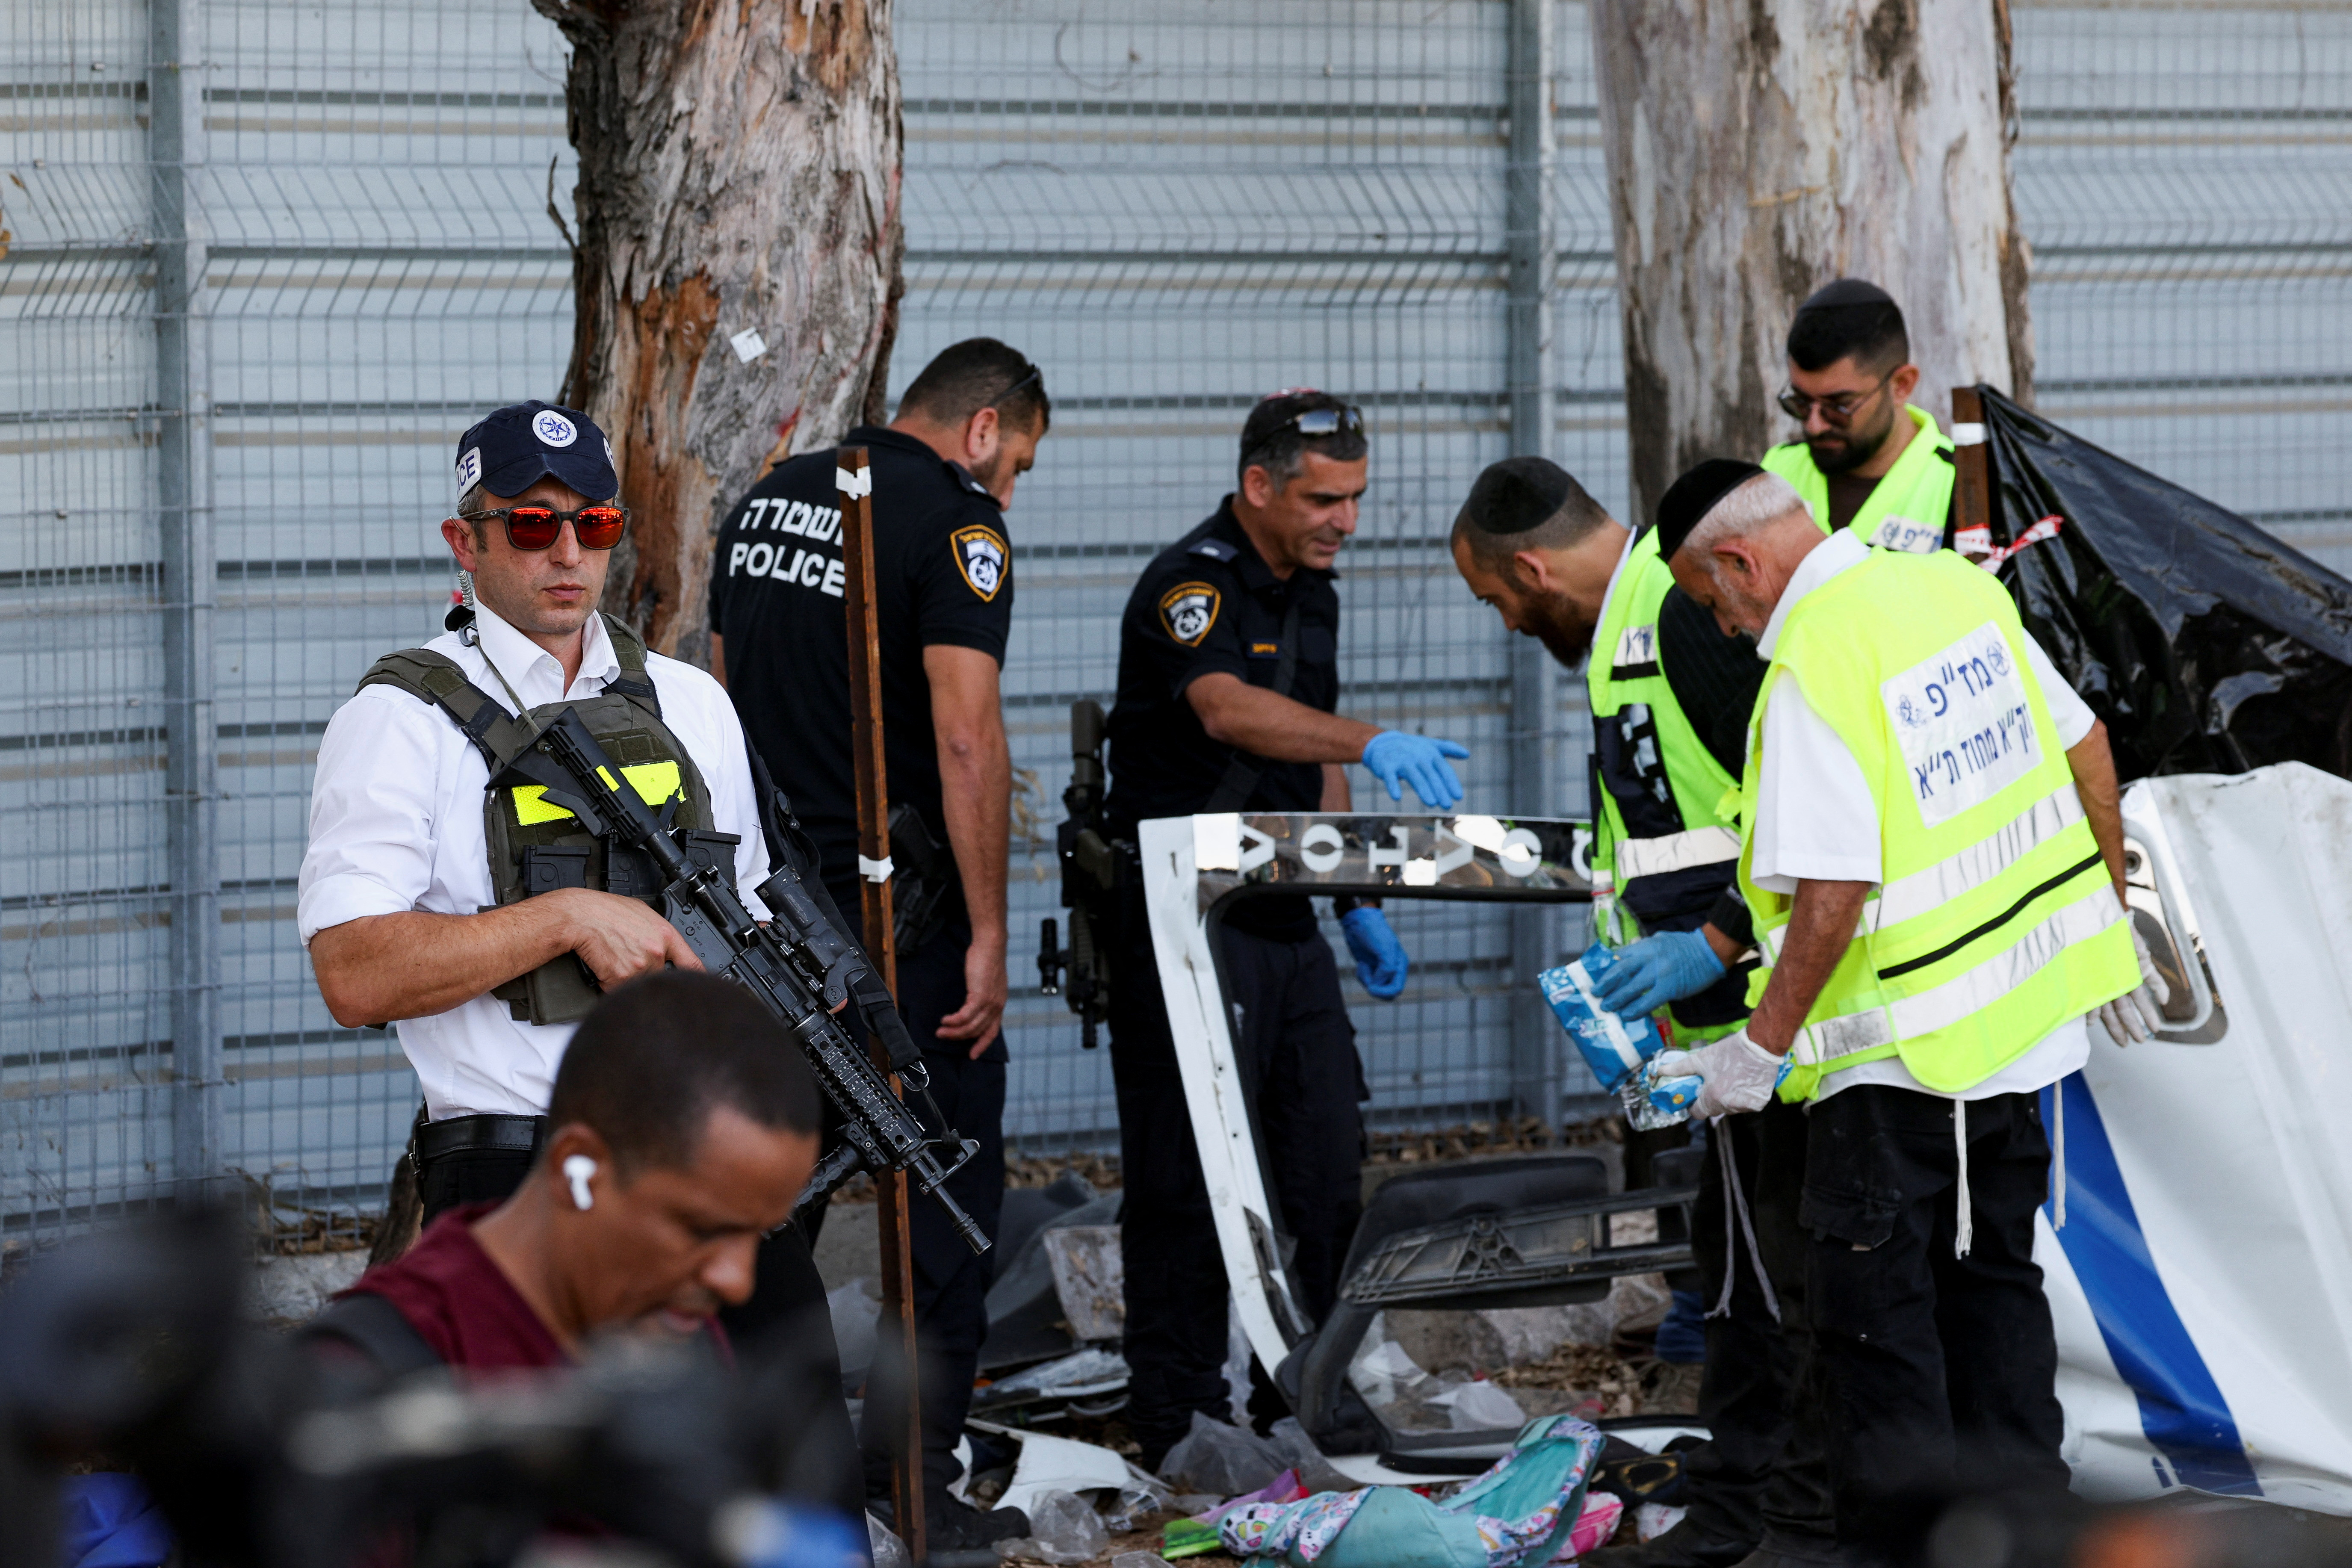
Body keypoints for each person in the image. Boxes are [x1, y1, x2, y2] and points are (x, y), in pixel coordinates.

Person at [296, 399, 862, 1512]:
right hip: (521, 1187)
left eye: (594, 524)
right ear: (466, 541)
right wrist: (564, 921)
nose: (566, 552)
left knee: (804, 1506)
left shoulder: (686, 701)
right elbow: (353, 970)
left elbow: (746, 926)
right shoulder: (399, 717)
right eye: (531, 525)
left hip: (700, 1177)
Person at [1651, 462, 2168, 1565]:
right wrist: (2107, 915)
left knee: (1880, 1353)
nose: (1728, 627)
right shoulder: (1951, 591)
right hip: (2013, 1052)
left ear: (1738, 564)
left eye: (1713, 603)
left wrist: (1754, 1051)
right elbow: (2083, 743)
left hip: (1890, 1080)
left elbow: (1832, 893)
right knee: (1998, 1324)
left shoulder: (1812, 662)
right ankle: (2033, 1543)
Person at [1449, 458, 1828, 1568]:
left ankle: (1769, 1516)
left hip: (1759, 1011)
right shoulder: (1638, 621)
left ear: (1528, 566)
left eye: (1498, 599)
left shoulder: (1681, 611)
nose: (1509, 622)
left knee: (1766, 1276)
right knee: (1733, 1265)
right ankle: (1750, 1502)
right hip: (1711, 1006)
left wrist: (1708, 949)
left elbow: (1796, 801)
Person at [707, 338, 1047, 1545]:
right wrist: (991, 931)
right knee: (942, 1196)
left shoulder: (765, 500)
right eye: (1013, 466)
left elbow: (718, 694)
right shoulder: (956, 526)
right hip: (898, 930)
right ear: (981, 429)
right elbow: (966, 739)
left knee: (760, 1204)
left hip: (762, 916)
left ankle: (768, 1472)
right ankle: (914, 1479)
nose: (1006, 494)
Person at [1102, 389, 1472, 1470]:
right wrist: (1375, 740)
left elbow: (1307, 757)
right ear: (1258, 485)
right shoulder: (1192, 582)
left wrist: (1356, 898)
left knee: (1320, 1161)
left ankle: (1302, 1392)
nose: (1344, 519)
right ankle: (1175, 1415)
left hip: (1281, 911)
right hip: (1179, 921)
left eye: (1355, 497)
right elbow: (1225, 709)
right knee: (1184, 1177)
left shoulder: (1312, 592)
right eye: (1323, 497)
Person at [301, 972, 860, 1536]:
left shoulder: (680, 1343)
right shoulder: (370, 1378)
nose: (736, 1280)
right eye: (701, 1228)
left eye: (758, 1233)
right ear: (579, 1169)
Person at [1762, 280, 1956, 556]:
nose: (1814, 426)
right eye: (1801, 402)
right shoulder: (1776, 471)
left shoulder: (1962, 490)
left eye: (1839, 406)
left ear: (1901, 385)